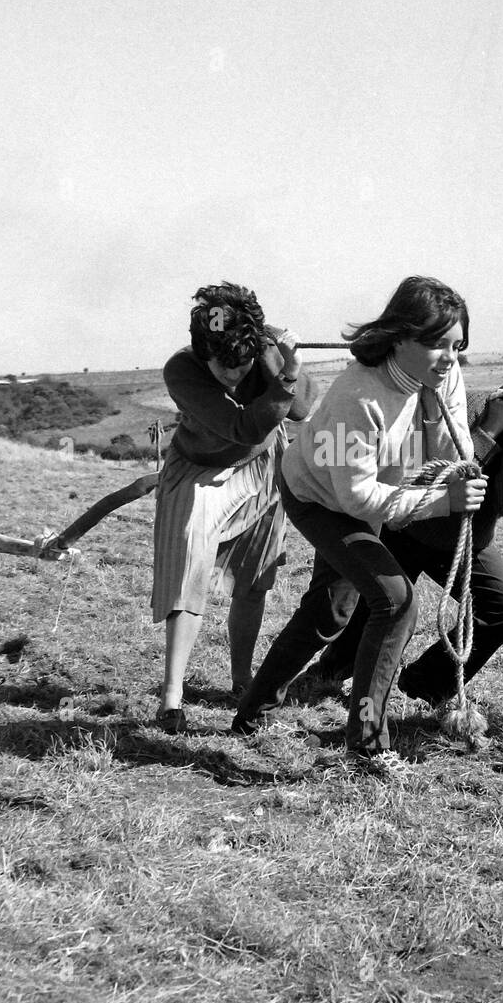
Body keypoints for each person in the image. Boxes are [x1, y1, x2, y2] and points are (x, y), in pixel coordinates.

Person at [230, 276, 487, 762]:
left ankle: (252, 710)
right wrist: (443, 503)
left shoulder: (444, 376)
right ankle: (368, 745)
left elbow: (458, 446)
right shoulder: (359, 396)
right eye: (436, 343)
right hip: (319, 497)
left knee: (331, 609)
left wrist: (459, 460)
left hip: (381, 493)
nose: (450, 356)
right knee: (395, 601)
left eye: (458, 345)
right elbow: (359, 499)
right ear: (398, 337)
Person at [309, 350, 503, 709]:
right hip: (405, 525)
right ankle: (329, 673)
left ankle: (425, 684)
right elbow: (429, 474)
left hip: (466, 545)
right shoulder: (472, 406)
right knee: (381, 610)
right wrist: (490, 430)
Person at [152, 282, 317, 732]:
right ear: (198, 348)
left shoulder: (266, 352)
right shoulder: (181, 371)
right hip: (200, 471)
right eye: (219, 365)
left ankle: (241, 678)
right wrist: (278, 377)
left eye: (240, 364)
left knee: (254, 577)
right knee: (187, 569)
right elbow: (242, 426)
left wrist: (287, 365)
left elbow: (300, 410)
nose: (230, 375)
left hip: (262, 470)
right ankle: (172, 697)